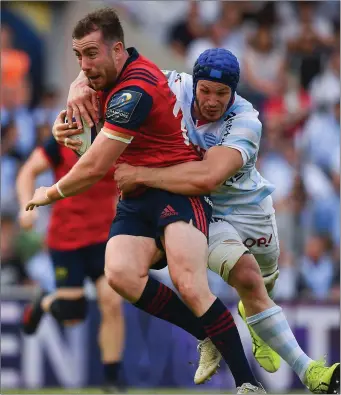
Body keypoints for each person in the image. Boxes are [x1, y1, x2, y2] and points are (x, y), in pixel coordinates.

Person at [25, 8, 264, 394]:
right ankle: (207, 334)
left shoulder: (134, 89)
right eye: (78, 57)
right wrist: (66, 117)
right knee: (119, 274)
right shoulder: (105, 75)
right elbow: (85, 137)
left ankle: (248, 384)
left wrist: (48, 193)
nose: (84, 66)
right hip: (135, 196)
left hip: (176, 189)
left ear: (118, 50)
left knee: (189, 283)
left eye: (90, 55)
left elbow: (94, 165)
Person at [111, 49, 340, 394]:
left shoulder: (246, 120)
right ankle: (311, 373)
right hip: (208, 211)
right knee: (247, 277)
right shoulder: (174, 85)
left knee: (262, 287)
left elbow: (208, 176)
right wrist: (80, 89)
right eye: (205, 91)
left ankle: (257, 321)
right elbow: (118, 66)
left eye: (222, 94)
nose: (212, 101)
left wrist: (142, 174)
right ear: (194, 83)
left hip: (252, 212)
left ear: (234, 92)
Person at [17, 131, 125, 392]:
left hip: (104, 238)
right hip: (66, 240)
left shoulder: (121, 139)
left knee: (111, 303)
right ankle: (46, 302)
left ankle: (112, 380)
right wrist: (25, 208)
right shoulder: (64, 138)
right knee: (73, 316)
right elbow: (27, 172)